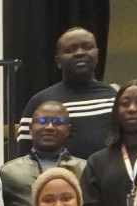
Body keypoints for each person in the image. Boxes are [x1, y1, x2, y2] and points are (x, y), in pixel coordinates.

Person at [13, 28, 118, 161]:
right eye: (70, 50)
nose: (79, 53)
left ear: (97, 53)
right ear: (58, 61)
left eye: (87, 47)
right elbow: (24, 160)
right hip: (58, 179)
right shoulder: (40, 102)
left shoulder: (114, 97)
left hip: (106, 179)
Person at [0, 101, 88, 206]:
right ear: (30, 128)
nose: (50, 127)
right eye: (42, 121)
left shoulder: (86, 169)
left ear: (68, 130)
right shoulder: (8, 172)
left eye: (58, 122)